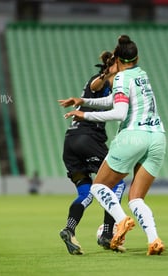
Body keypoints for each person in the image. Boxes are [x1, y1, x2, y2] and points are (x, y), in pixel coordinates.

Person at [59, 35, 166, 255]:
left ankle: (120, 221)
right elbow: (111, 99)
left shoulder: (120, 78)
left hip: (131, 136)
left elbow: (119, 111)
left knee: (98, 187)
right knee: (136, 198)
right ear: (137, 57)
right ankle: (153, 240)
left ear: (117, 58)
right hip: (157, 137)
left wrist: (84, 113)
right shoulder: (142, 75)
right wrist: (85, 102)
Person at [58, 51, 126, 255]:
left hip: (70, 143)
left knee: (86, 193)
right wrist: (106, 75)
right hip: (88, 139)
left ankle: (69, 229)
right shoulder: (102, 81)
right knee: (117, 182)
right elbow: (96, 85)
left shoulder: (111, 86)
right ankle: (107, 234)